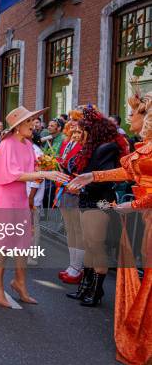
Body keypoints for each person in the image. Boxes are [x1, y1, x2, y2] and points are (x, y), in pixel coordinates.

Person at [69, 92, 152, 365]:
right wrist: (90, 175)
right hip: (134, 213)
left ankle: (95, 291)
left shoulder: (112, 147)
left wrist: (132, 205)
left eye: (133, 114)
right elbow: (127, 173)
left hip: (107, 203)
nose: (128, 119)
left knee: (97, 246)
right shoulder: (143, 147)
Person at [0, 107, 69, 308]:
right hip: (4, 197)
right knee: (4, 243)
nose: (34, 124)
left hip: (19, 197)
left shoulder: (29, 144)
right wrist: (45, 175)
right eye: (29, 121)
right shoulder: (7, 144)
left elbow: (30, 171)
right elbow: (14, 174)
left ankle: (19, 283)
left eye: (34, 120)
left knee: (23, 241)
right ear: (17, 127)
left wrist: (46, 169)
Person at [65, 106, 129, 307]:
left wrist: (82, 187)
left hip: (101, 200)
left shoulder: (106, 148)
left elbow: (106, 179)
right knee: (89, 243)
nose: (78, 133)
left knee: (95, 245)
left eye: (81, 130)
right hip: (90, 199)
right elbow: (76, 168)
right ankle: (87, 285)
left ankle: (97, 288)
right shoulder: (91, 148)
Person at [57, 112, 85, 284]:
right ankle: (72, 264)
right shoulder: (68, 141)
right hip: (65, 188)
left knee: (77, 228)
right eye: (72, 120)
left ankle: (78, 267)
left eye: (77, 120)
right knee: (70, 228)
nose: (72, 123)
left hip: (76, 190)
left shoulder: (85, 144)